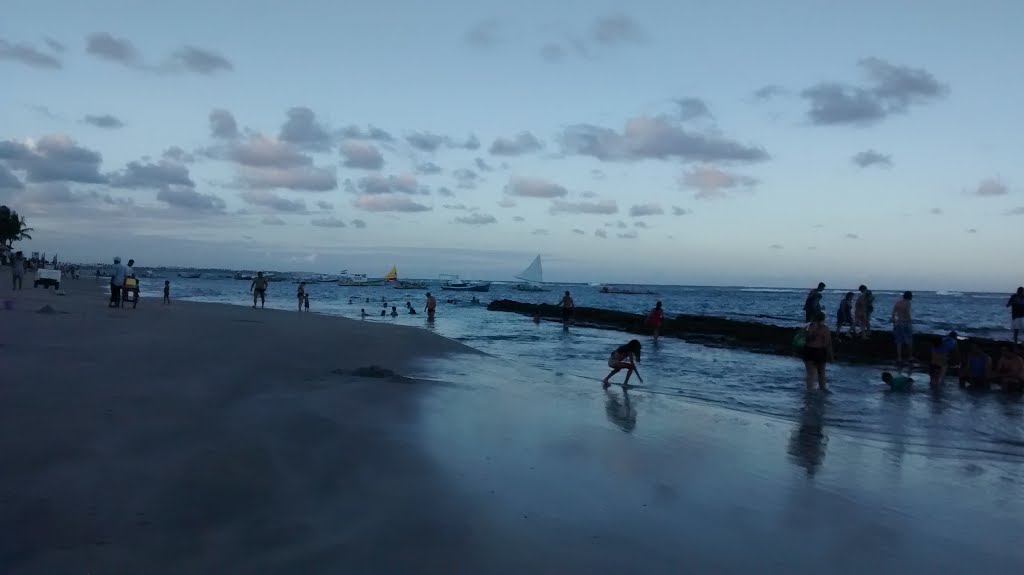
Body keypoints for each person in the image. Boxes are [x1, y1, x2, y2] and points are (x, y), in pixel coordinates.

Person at [801, 311, 834, 391]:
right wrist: (831, 356)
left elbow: (804, 339)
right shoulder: (825, 329)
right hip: (820, 351)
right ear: (823, 319)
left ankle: (809, 392)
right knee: (821, 373)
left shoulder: (809, 327)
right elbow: (827, 343)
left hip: (808, 350)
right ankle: (822, 391)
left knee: (810, 374)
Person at [891, 291, 914, 366]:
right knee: (909, 340)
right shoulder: (907, 303)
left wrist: (894, 323)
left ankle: (899, 358)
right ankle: (910, 357)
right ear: (910, 297)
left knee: (899, 341)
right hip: (906, 322)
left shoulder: (898, 303)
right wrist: (910, 322)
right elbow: (907, 313)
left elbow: (893, 314)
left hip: (898, 322)